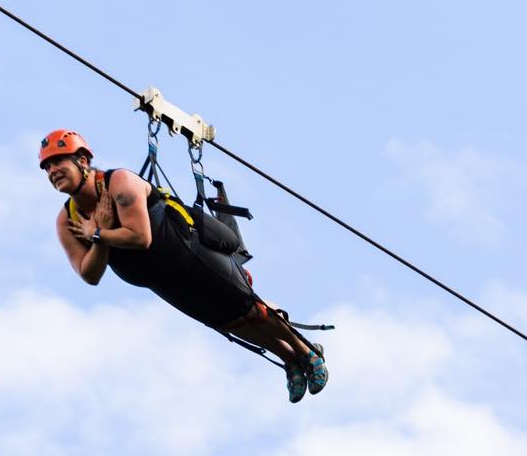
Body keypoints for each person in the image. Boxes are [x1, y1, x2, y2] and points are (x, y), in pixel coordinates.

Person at [41, 129, 329, 402]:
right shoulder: (67, 221)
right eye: (47, 168)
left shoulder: (120, 184)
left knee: (248, 307)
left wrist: (98, 234)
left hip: (190, 255)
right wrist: (100, 238)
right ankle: (289, 358)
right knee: (230, 322)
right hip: (164, 281)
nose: (53, 172)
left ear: (82, 161)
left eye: (58, 162)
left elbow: (140, 237)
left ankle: (305, 350)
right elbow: (89, 274)